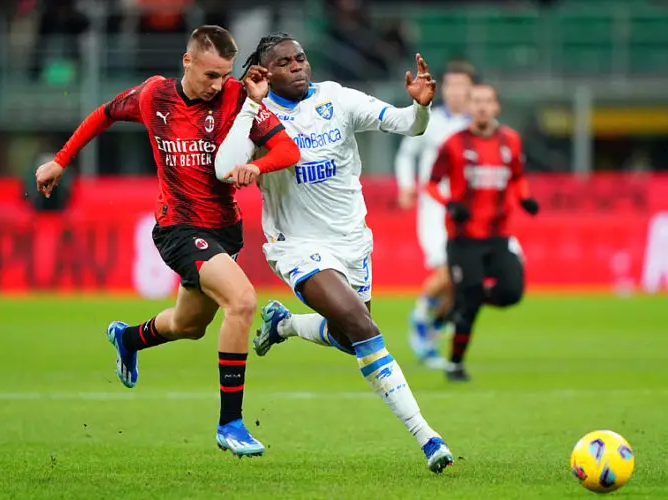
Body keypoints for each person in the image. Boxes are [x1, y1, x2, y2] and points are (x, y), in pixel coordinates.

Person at [34, 25, 301, 456]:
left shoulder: (238, 97)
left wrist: (259, 166)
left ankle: (129, 338)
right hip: (178, 227)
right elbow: (103, 113)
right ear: (187, 61)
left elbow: (288, 150)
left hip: (224, 229)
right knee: (243, 301)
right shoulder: (153, 96)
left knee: (189, 325)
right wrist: (61, 160)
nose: (219, 85)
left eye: (225, 75)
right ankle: (230, 424)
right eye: (211, 75)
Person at [216, 32, 454, 473]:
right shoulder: (258, 115)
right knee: (362, 326)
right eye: (284, 62)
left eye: (301, 58)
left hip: (352, 242)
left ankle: (284, 324)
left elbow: (406, 125)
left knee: (349, 334)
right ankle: (427, 436)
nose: (298, 66)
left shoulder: (336, 99)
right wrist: (250, 106)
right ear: (264, 73)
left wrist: (419, 106)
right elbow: (226, 167)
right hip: (298, 246)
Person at [425, 83, 539, 382]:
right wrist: (449, 204)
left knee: (511, 292)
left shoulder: (511, 140)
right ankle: (455, 364)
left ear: (497, 106)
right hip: (463, 239)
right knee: (470, 299)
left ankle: (461, 303)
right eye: (476, 101)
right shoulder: (453, 144)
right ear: (469, 107)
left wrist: (525, 197)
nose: (482, 107)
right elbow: (431, 184)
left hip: (500, 235)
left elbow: (517, 176)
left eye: (487, 101)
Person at [394, 60, 476, 369]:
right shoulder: (430, 119)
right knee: (448, 268)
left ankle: (432, 329)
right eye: (452, 85)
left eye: (462, 85)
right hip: (434, 209)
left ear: (471, 89)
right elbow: (407, 153)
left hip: (468, 212)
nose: (456, 91)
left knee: (462, 279)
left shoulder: (476, 125)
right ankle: (420, 319)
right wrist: (405, 186)